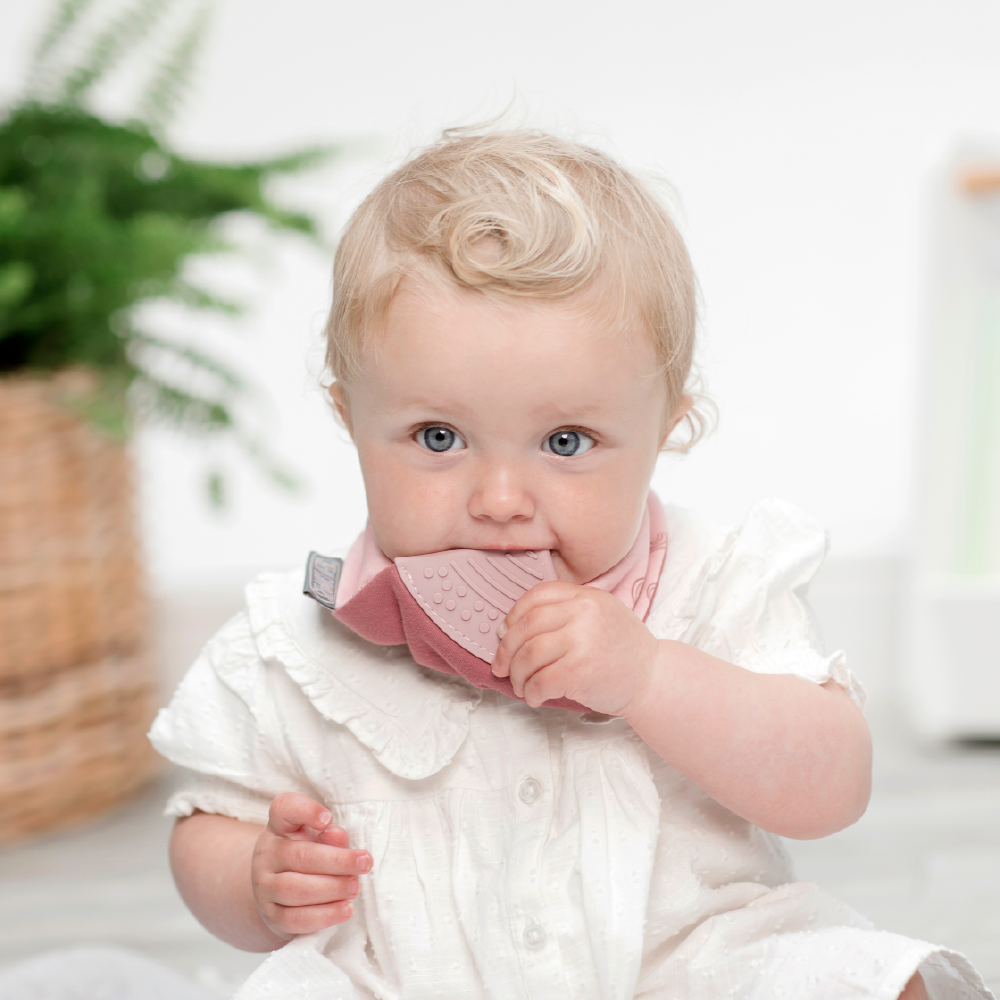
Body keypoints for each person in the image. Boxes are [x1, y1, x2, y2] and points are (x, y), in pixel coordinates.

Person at [151, 127, 990, 1000]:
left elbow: (832, 786)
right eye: (439, 438)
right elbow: (205, 821)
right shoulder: (288, 646)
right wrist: (256, 877)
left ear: (667, 428)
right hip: (403, 981)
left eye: (566, 441)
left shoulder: (715, 587)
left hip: (685, 971)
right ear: (348, 415)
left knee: (862, 979)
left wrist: (652, 675)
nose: (502, 498)